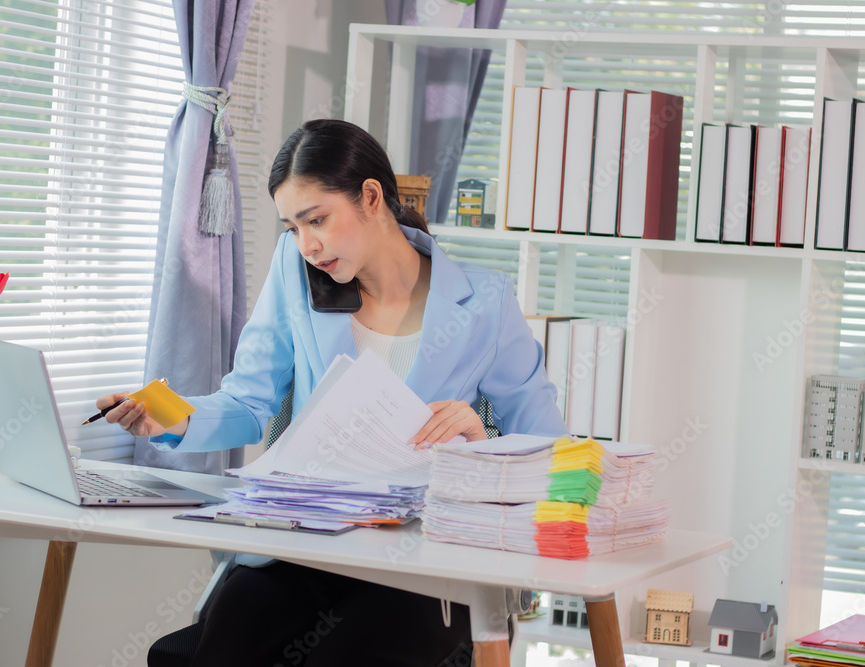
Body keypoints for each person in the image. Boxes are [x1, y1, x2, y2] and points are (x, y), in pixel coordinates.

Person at [98, 118, 568, 666]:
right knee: (230, 635)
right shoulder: (294, 274)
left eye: (317, 219)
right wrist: (169, 418)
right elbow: (249, 403)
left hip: (420, 562)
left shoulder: (485, 300)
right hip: (308, 546)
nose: (307, 245)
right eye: (293, 227)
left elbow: (549, 446)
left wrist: (479, 436)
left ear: (371, 196)